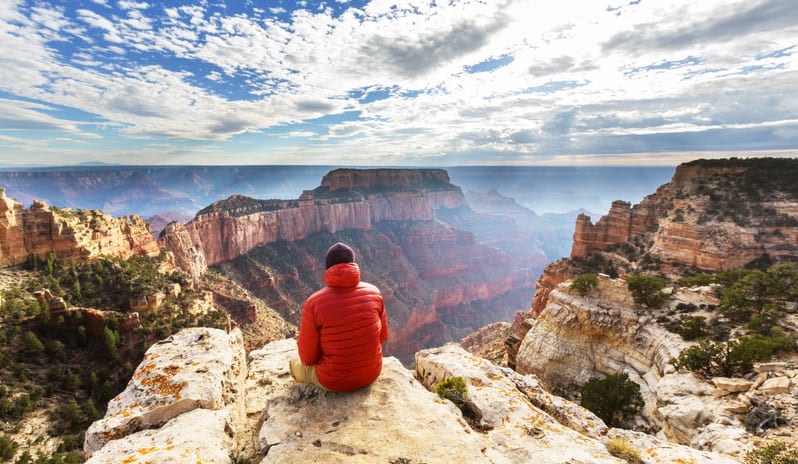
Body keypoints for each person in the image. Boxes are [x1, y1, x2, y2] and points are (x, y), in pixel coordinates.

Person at [290, 242, 388, 392]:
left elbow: (308, 359)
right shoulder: (374, 292)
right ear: (354, 264)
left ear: (328, 268)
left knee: (293, 363)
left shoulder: (313, 303)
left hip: (334, 381)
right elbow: (382, 337)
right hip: (371, 373)